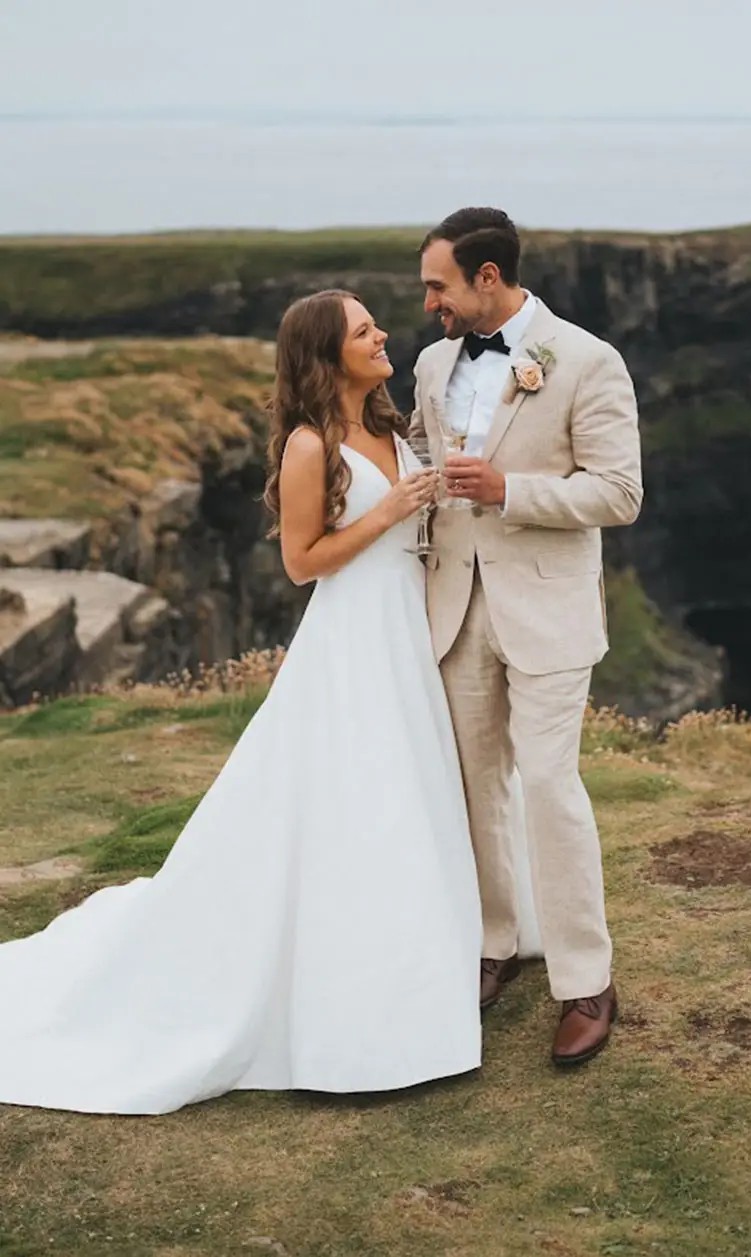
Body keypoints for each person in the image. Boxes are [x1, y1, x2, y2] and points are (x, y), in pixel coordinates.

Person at [0, 290, 483, 1115]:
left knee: (407, 799)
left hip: (403, 633)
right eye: (364, 329)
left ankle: (414, 982)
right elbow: (303, 561)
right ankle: (344, 1013)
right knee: (352, 805)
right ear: (328, 355)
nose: (381, 334)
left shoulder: (389, 427)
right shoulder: (310, 445)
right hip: (351, 641)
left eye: (375, 323)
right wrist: (395, 510)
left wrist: (425, 502)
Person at [410, 207, 643, 1066]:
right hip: (454, 609)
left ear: (486, 278)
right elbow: (415, 462)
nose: (428, 301)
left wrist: (513, 490)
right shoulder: (434, 364)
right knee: (475, 788)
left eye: (438, 284)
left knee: (549, 785)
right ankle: (493, 944)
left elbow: (619, 494)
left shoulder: (587, 360)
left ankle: (587, 980)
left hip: (548, 611)